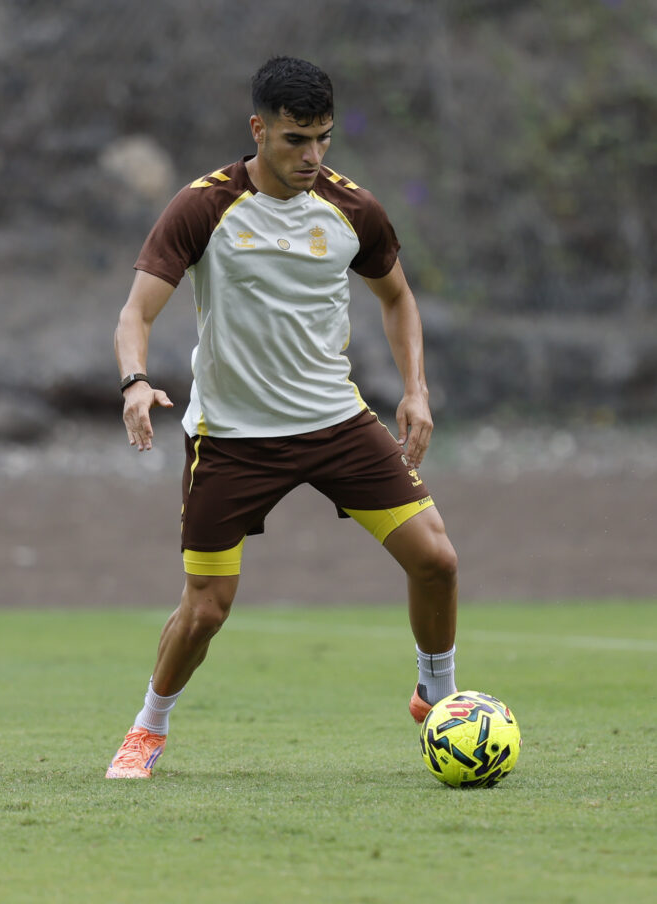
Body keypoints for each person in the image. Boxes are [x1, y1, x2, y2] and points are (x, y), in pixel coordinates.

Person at [106, 56, 458, 779]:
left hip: (336, 426)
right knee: (206, 610)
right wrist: (135, 381)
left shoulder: (353, 208)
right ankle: (148, 729)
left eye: (324, 138)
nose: (313, 156)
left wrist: (415, 389)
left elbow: (398, 298)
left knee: (437, 560)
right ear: (258, 129)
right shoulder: (204, 207)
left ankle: (442, 700)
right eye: (297, 139)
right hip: (233, 440)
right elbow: (135, 312)